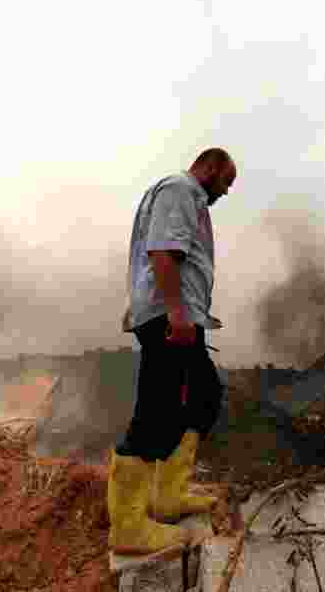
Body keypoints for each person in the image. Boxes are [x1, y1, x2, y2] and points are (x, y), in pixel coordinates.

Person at [107, 148, 237, 556]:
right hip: (171, 317)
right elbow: (163, 252)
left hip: (178, 314)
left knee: (203, 397)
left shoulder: (183, 195)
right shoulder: (181, 190)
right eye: (226, 182)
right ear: (211, 168)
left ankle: (168, 496)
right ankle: (127, 529)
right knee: (157, 412)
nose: (225, 192)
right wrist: (177, 313)